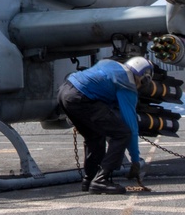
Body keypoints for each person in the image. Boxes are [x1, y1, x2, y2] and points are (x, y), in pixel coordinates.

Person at [57, 56, 154, 194]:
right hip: (82, 98)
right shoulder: (128, 83)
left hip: (65, 92)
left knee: (94, 136)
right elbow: (131, 126)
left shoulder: (111, 64)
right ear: (144, 77)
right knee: (122, 133)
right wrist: (135, 160)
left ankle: (89, 179)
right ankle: (101, 180)